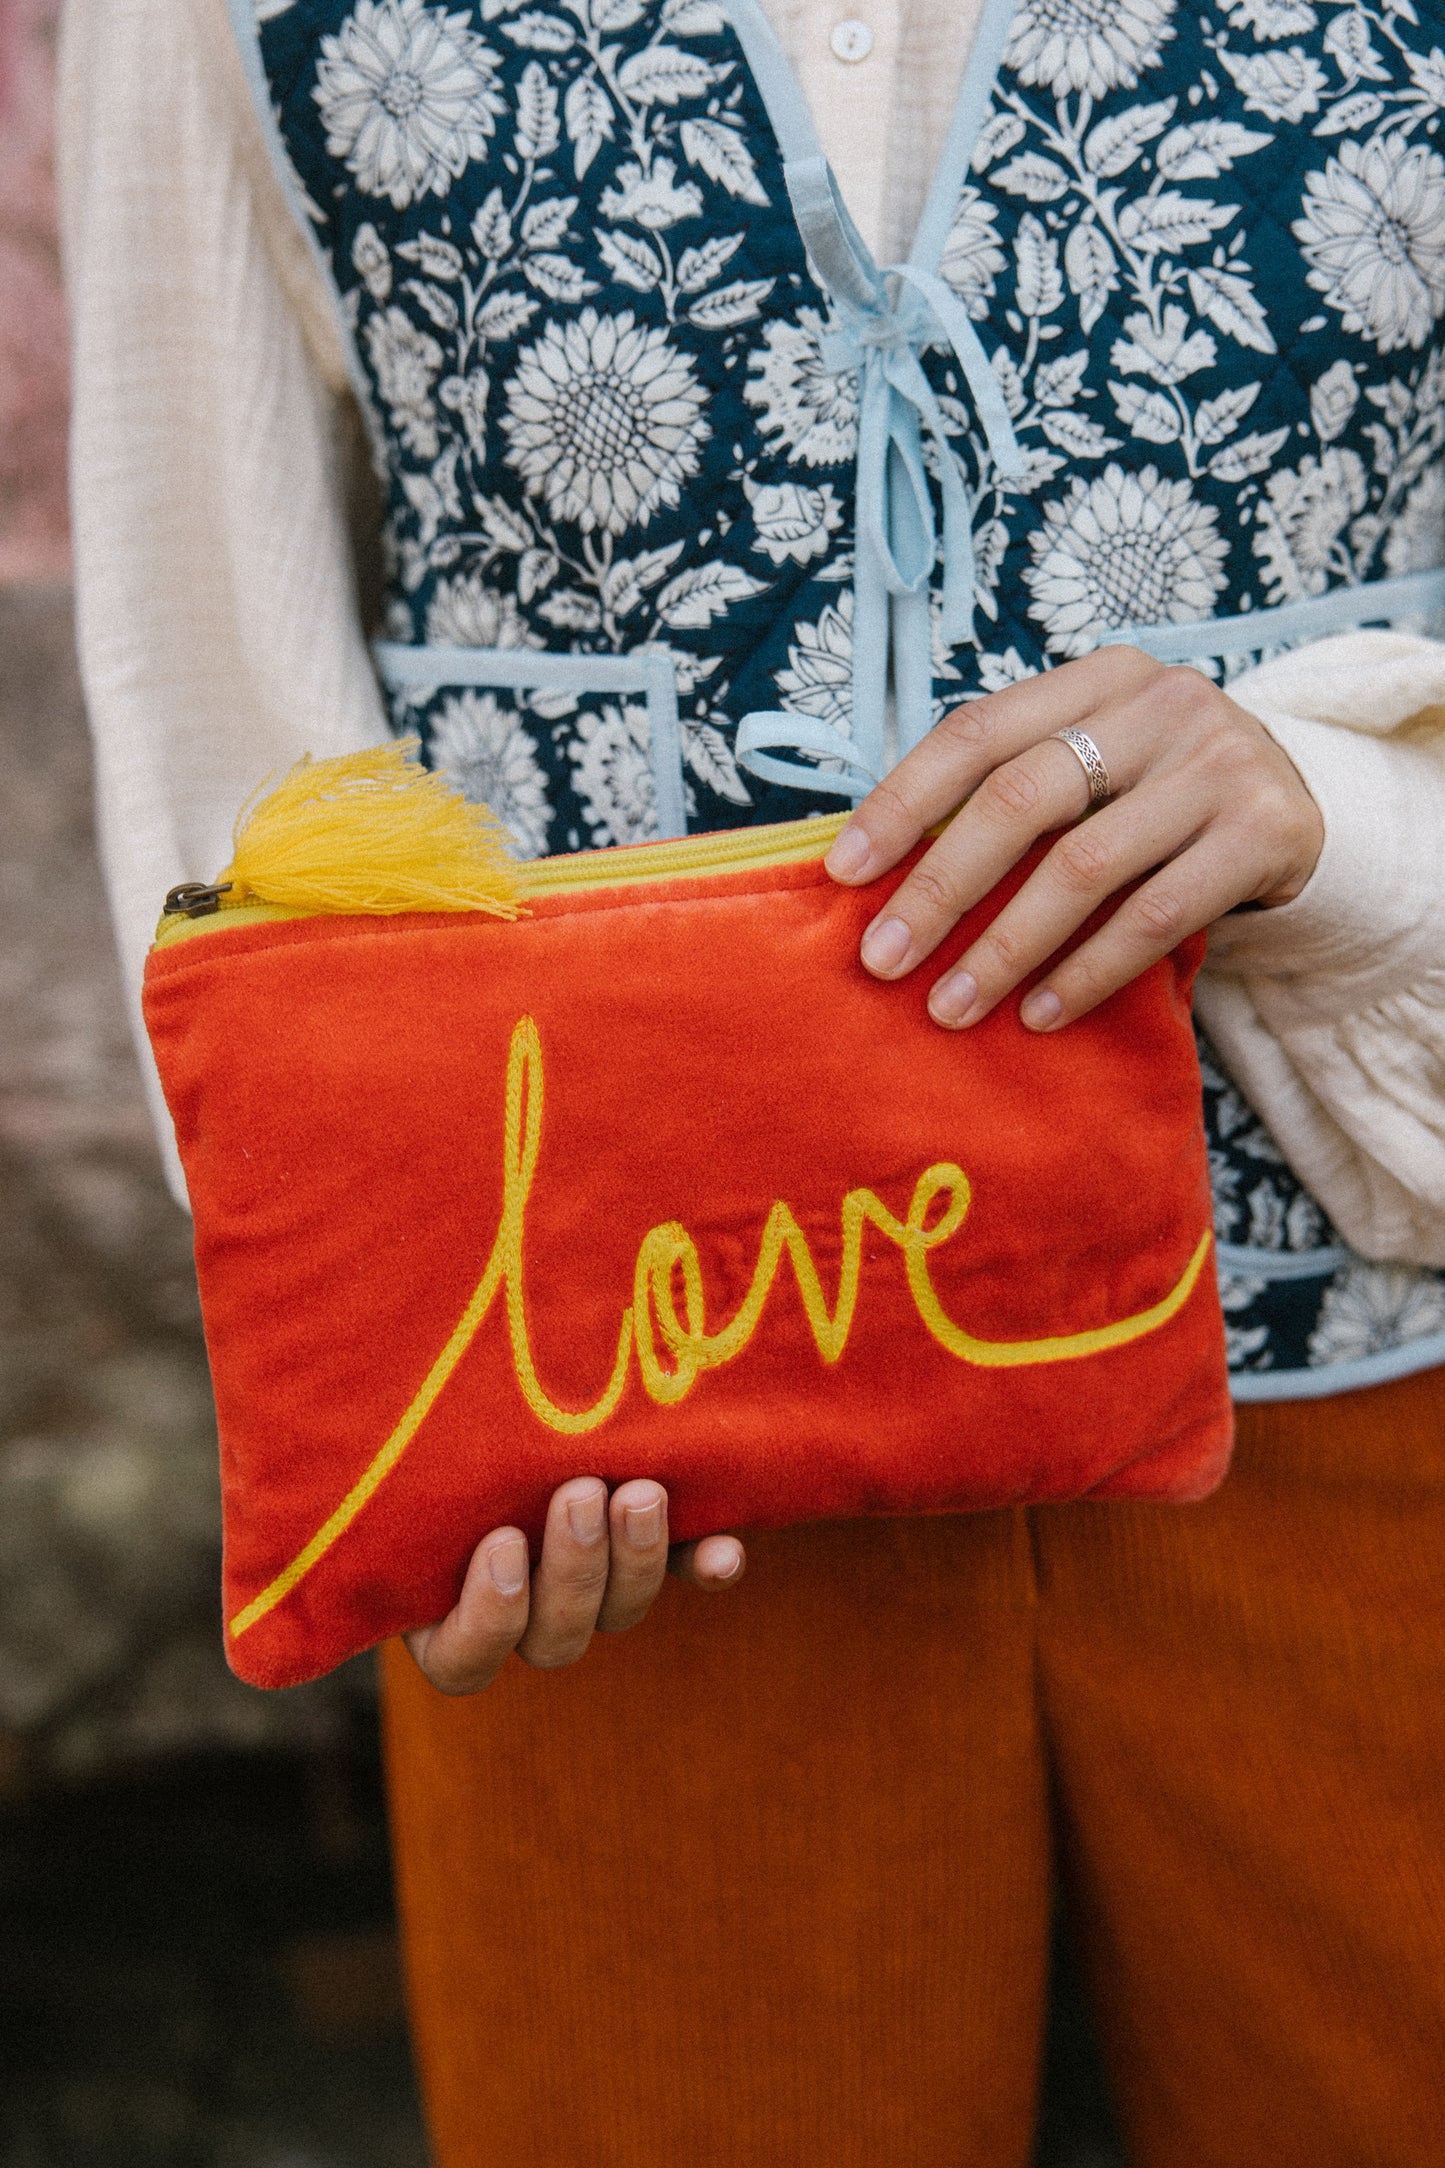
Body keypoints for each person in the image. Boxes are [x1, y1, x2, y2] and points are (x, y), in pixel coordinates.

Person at [59, 0, 1445, 2159]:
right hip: (606, 1442)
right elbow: (219, 687)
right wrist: (386, 1386)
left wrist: (1349, 815)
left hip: (1380, 1361)